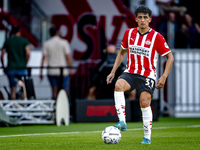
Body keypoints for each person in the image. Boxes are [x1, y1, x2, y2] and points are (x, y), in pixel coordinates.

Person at [106, 6, 174, 144]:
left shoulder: (156, 37)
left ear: (149, 19)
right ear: (136, 19)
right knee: (118, 85)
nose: (142, 20)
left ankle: (147, 137)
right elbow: (121, 53)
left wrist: (164, 76)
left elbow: (170, 57)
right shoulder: (128, 33)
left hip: (147, 75)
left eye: (145, 17)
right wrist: (113, 71)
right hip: (131, 72)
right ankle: (122, 122)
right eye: (140, 17)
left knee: (144, 102)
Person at [40, 26, 73, 100]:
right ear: (58, 33)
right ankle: (64, 105)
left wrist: (41, 71)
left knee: (54, 90)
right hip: (63, 70)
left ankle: (54, 107)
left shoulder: (47, 43)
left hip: (51, 70)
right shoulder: (64, 42)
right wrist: (71, 68)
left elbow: (44, 58)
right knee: (64, 90)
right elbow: (68, 56)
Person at [0, 26, 31, 100]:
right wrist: (25, 63)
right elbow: (28, 53)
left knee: (13, 88)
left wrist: (3, 66)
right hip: (22, 68)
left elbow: (2, 54)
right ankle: (22, 107)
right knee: (23, 88)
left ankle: (12, 107)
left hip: (11, 68)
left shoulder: (8, 41)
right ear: (19, 31)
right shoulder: (24, 40)